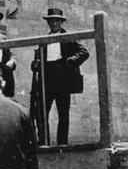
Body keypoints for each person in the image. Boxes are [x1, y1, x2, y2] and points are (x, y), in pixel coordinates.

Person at [30, 8, 89, 145]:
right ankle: (44, 142)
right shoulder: (44, 40)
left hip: (63, 78)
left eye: (56, 21)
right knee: (42, 112)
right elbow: (39, 60)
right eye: (51, 21)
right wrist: (35, 65)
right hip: (47, 79)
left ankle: (62, 144)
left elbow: (84, 52)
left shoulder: (68, 38)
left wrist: (72, 60)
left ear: (61, 22)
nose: (54, 23)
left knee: (63, 113)